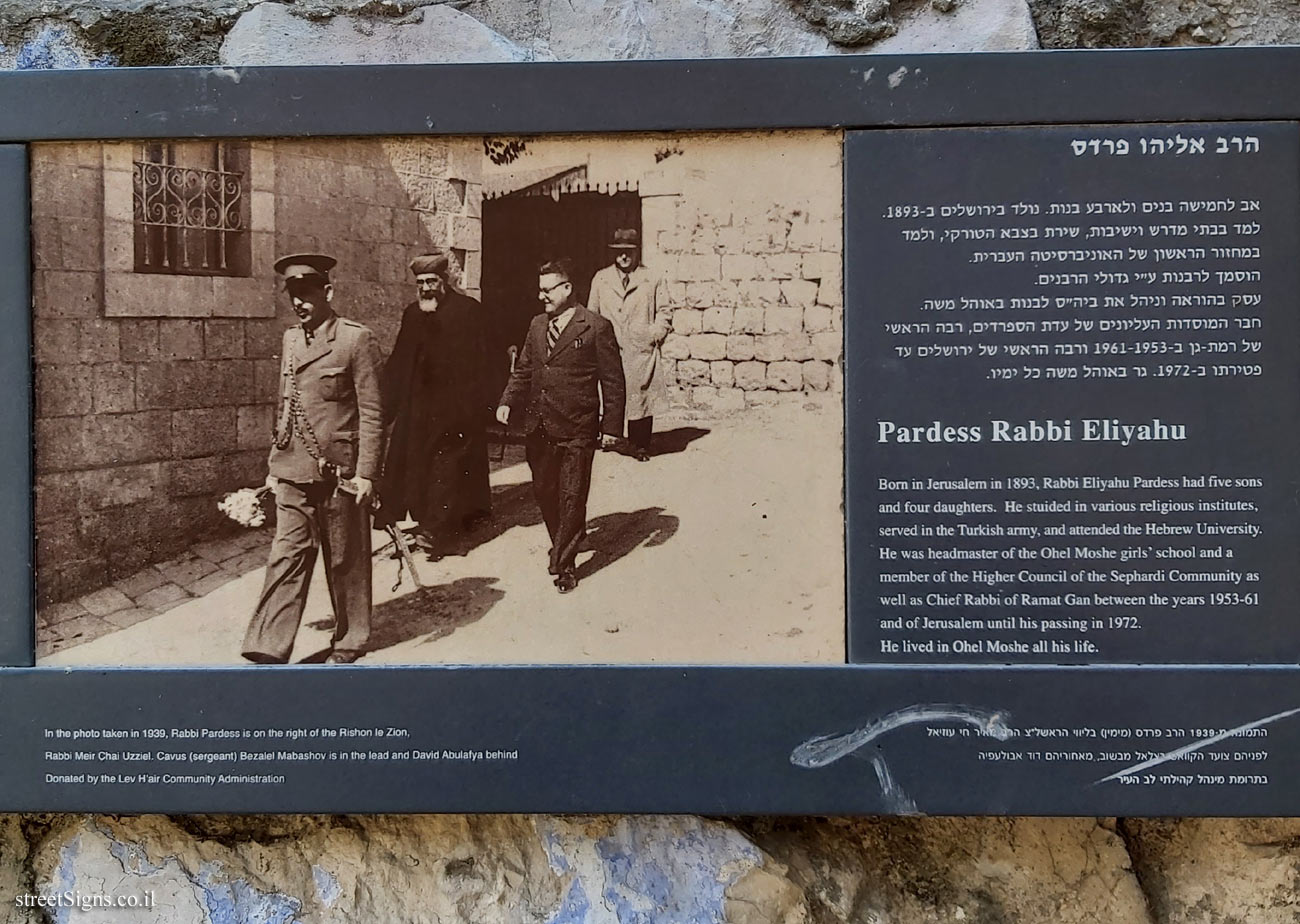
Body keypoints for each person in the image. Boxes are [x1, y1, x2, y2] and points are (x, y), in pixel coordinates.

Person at [242, 253, 384, 665]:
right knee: (286, 553)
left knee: (345, 559)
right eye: (293, 294)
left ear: (328, 292)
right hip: (291, 467)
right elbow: (285, 402)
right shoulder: (290, 339)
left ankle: (351, 639)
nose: (298, 302)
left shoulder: (356, 339)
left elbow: (372, 411)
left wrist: (368, 474)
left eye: (306, 293)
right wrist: (274, 464)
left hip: (338, 470)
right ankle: (268, 645)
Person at [495, 259, 625, 594]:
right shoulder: (537, 325)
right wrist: (508, 400)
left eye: (547, 289)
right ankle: (568, 537)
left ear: (567, 288)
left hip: (577, 427)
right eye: (539, 290)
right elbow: (524, 369)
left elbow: (613, 381)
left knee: (572, 495)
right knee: (544, 492)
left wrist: (611, 426)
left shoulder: (596, 327)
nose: (542, 297)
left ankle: (563, 564)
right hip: (539, 425)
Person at [379, 252, 494, 557]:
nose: (427, 288)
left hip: (456, 410)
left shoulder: (468, 311)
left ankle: (437, 531)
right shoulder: (412, 314)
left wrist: (477, 406)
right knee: (416, 468)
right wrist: (385, 406)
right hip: (417, 410)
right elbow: (400, 361)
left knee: (446, 471)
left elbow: (484, 361)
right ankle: (426, 523)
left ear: (445, 281)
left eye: (432, 281)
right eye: (421, 283)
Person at [586, 228, 670, 461]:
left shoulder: (652, 278)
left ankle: (640, 444)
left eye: (628, 252)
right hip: (610, 347)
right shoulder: (601, 278)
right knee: (610, 390)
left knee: (640, 395)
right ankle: (610, 436)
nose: (623, 257)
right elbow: (592, 313)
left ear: (636, 252)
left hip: (640, 348)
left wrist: (655, 333)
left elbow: (665, 310)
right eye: (619, 252)